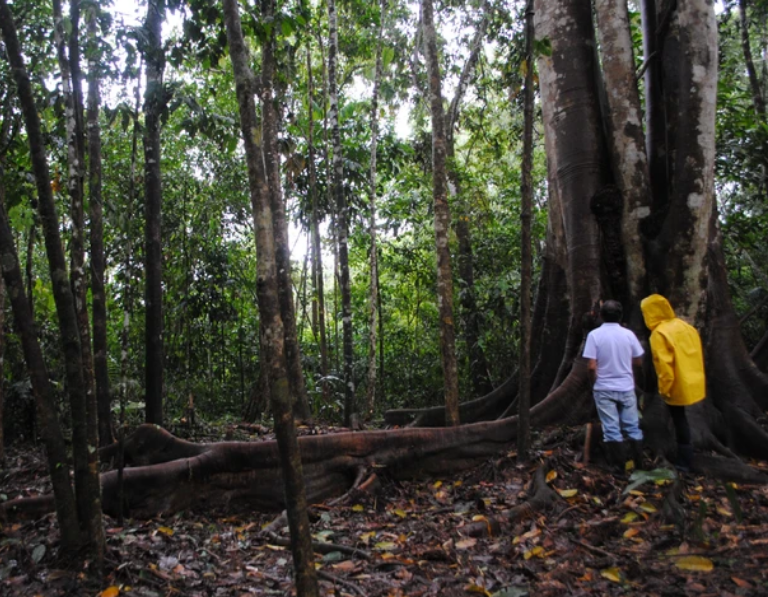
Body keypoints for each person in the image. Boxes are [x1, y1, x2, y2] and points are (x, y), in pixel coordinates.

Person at [640, 294, 706, 472]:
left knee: (679, 420)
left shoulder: (659, 334)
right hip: (693, 382)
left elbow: (664, 367)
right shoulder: (685, 326)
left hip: (676, 384)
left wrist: (665, 390)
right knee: (681, 419)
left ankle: (685, 461)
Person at [583, 300, 645, 472]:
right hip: (626, 387)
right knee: (632, 425)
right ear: (621, 316)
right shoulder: (628, 335)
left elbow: (591, 366)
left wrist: (593, 381)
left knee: (611, 428)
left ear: (601, 316)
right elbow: (639, 361)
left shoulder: (594, 335)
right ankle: (639, 466)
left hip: (603, 387)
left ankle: (619, 468)